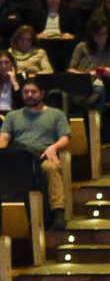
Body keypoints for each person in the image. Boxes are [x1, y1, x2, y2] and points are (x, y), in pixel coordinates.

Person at [0, 78, 68, 227]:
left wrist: (54, 147)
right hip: (19, 156)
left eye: (33, 92)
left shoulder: (56, 114)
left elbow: (65, 138)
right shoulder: (13, 116)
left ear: (42, 94)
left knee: (51, 168)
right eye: (26, 92)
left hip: (43, 155)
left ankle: (58, 212)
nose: (29, 95)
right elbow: (4, 138)